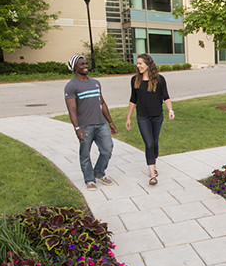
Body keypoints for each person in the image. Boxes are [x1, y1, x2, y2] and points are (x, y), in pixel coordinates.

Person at [64, 55, 117, 191]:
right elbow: (72, 110)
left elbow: (103, 103)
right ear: (75, 67)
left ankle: (99, 172)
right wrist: (77, 129)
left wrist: (110, 122)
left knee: (107, 149)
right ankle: (89, 179)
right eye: (81, 64)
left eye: (86, 63)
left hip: (101, 124)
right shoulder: (71, 86)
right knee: (85, 154)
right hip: (85, 126)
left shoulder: (95, 83)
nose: (85, 66)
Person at [126, 54, 174, 185]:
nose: (138, 66)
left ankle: (153, 165)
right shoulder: (135, 80)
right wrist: (128, 118)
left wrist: (170, 110)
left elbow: (166, 97)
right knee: (148, 144)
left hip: (157, 116)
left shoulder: (160, 79)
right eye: (137, 63)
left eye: (140, 63)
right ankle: (152, 174)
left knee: (154, 142)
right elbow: (133, 99)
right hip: (142, 117)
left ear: (148, 64)